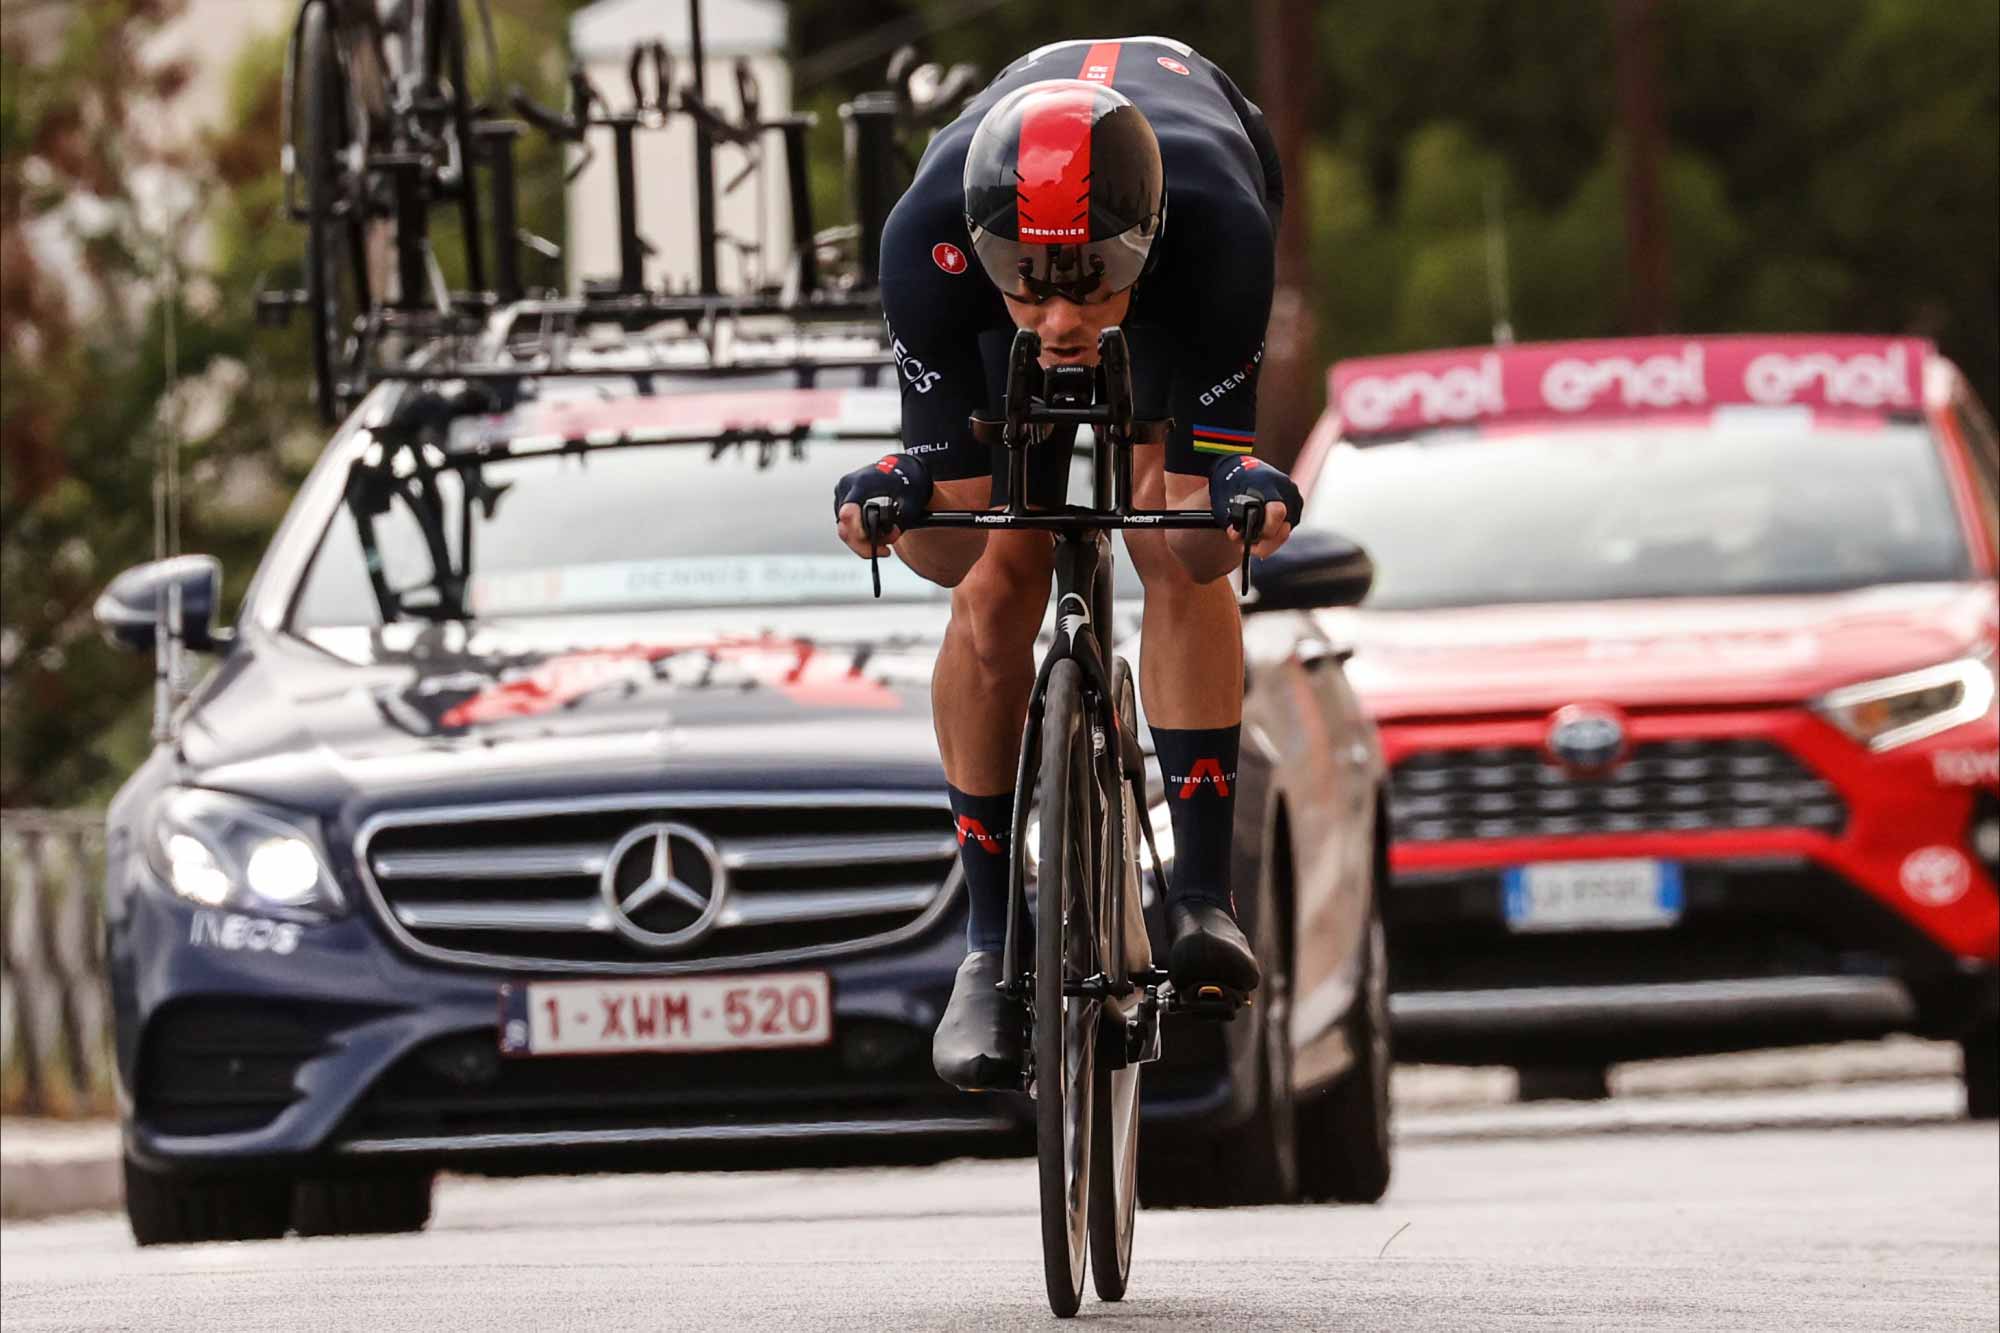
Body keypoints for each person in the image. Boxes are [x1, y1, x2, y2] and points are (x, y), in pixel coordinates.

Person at [832, 37, 1304, 1091]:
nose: (1058, 320)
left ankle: (1201, 896)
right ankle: (986, 947)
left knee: (1175, 541)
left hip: (1189, 241)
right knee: (995, 581)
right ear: (983, 251)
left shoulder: (1215, 232)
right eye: (1030, 285)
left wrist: (1239, 500)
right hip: (1001, 253)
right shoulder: (927, 240)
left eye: (1091, 285)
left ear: (1139, 245)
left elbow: (1204, 523)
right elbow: (948, 536)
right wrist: (896, 505)